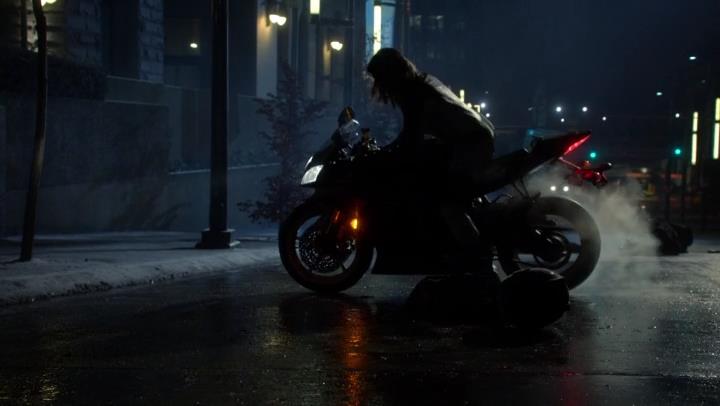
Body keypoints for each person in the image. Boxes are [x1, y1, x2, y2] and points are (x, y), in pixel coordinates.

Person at [365, 48, 496, 275]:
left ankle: (479, 259)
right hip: (468, 139)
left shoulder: (415, 93)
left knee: (449, 204)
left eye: (379, 77)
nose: (377, 84)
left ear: (389, 75)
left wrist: (386, 153)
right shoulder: (418, 85)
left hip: (471, 143)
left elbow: (412, 133)